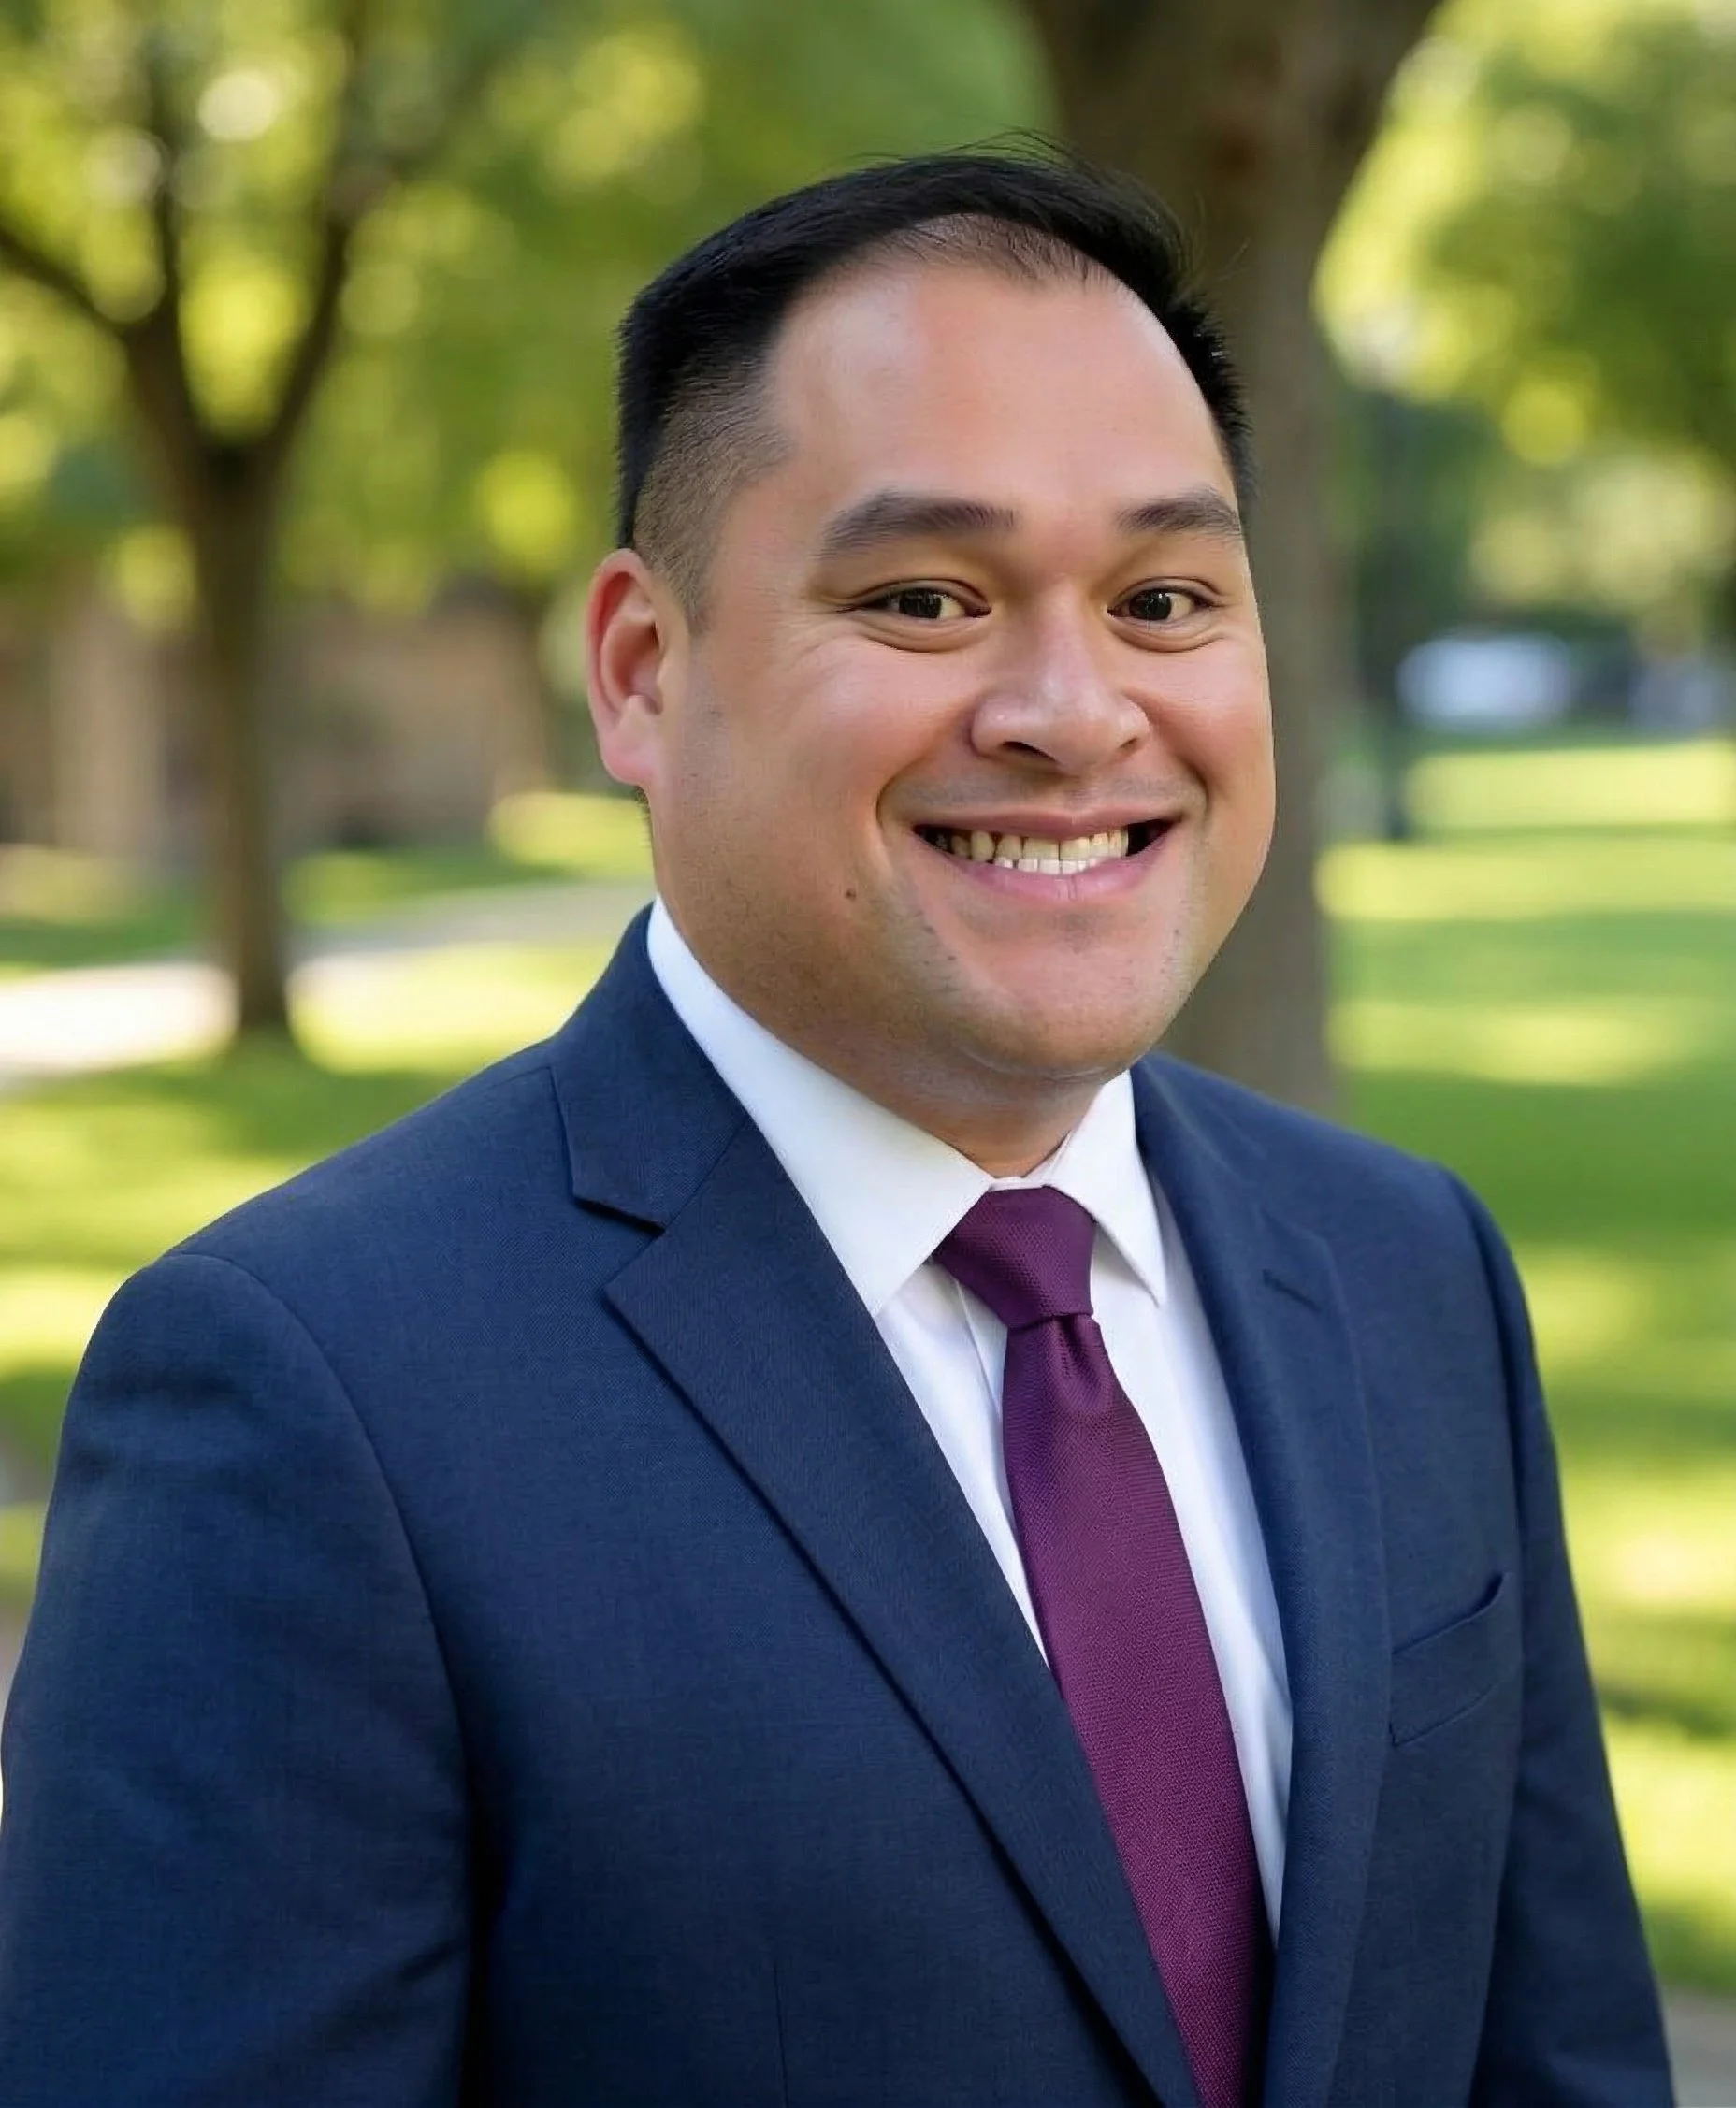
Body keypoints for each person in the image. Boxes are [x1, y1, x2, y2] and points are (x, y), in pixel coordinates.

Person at [0, 151, 1669, 2108]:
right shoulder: (308, 1397)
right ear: (642, 670)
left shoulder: (1408, 1269)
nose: (1075, 711)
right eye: (924, 598)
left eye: (1163, 598)